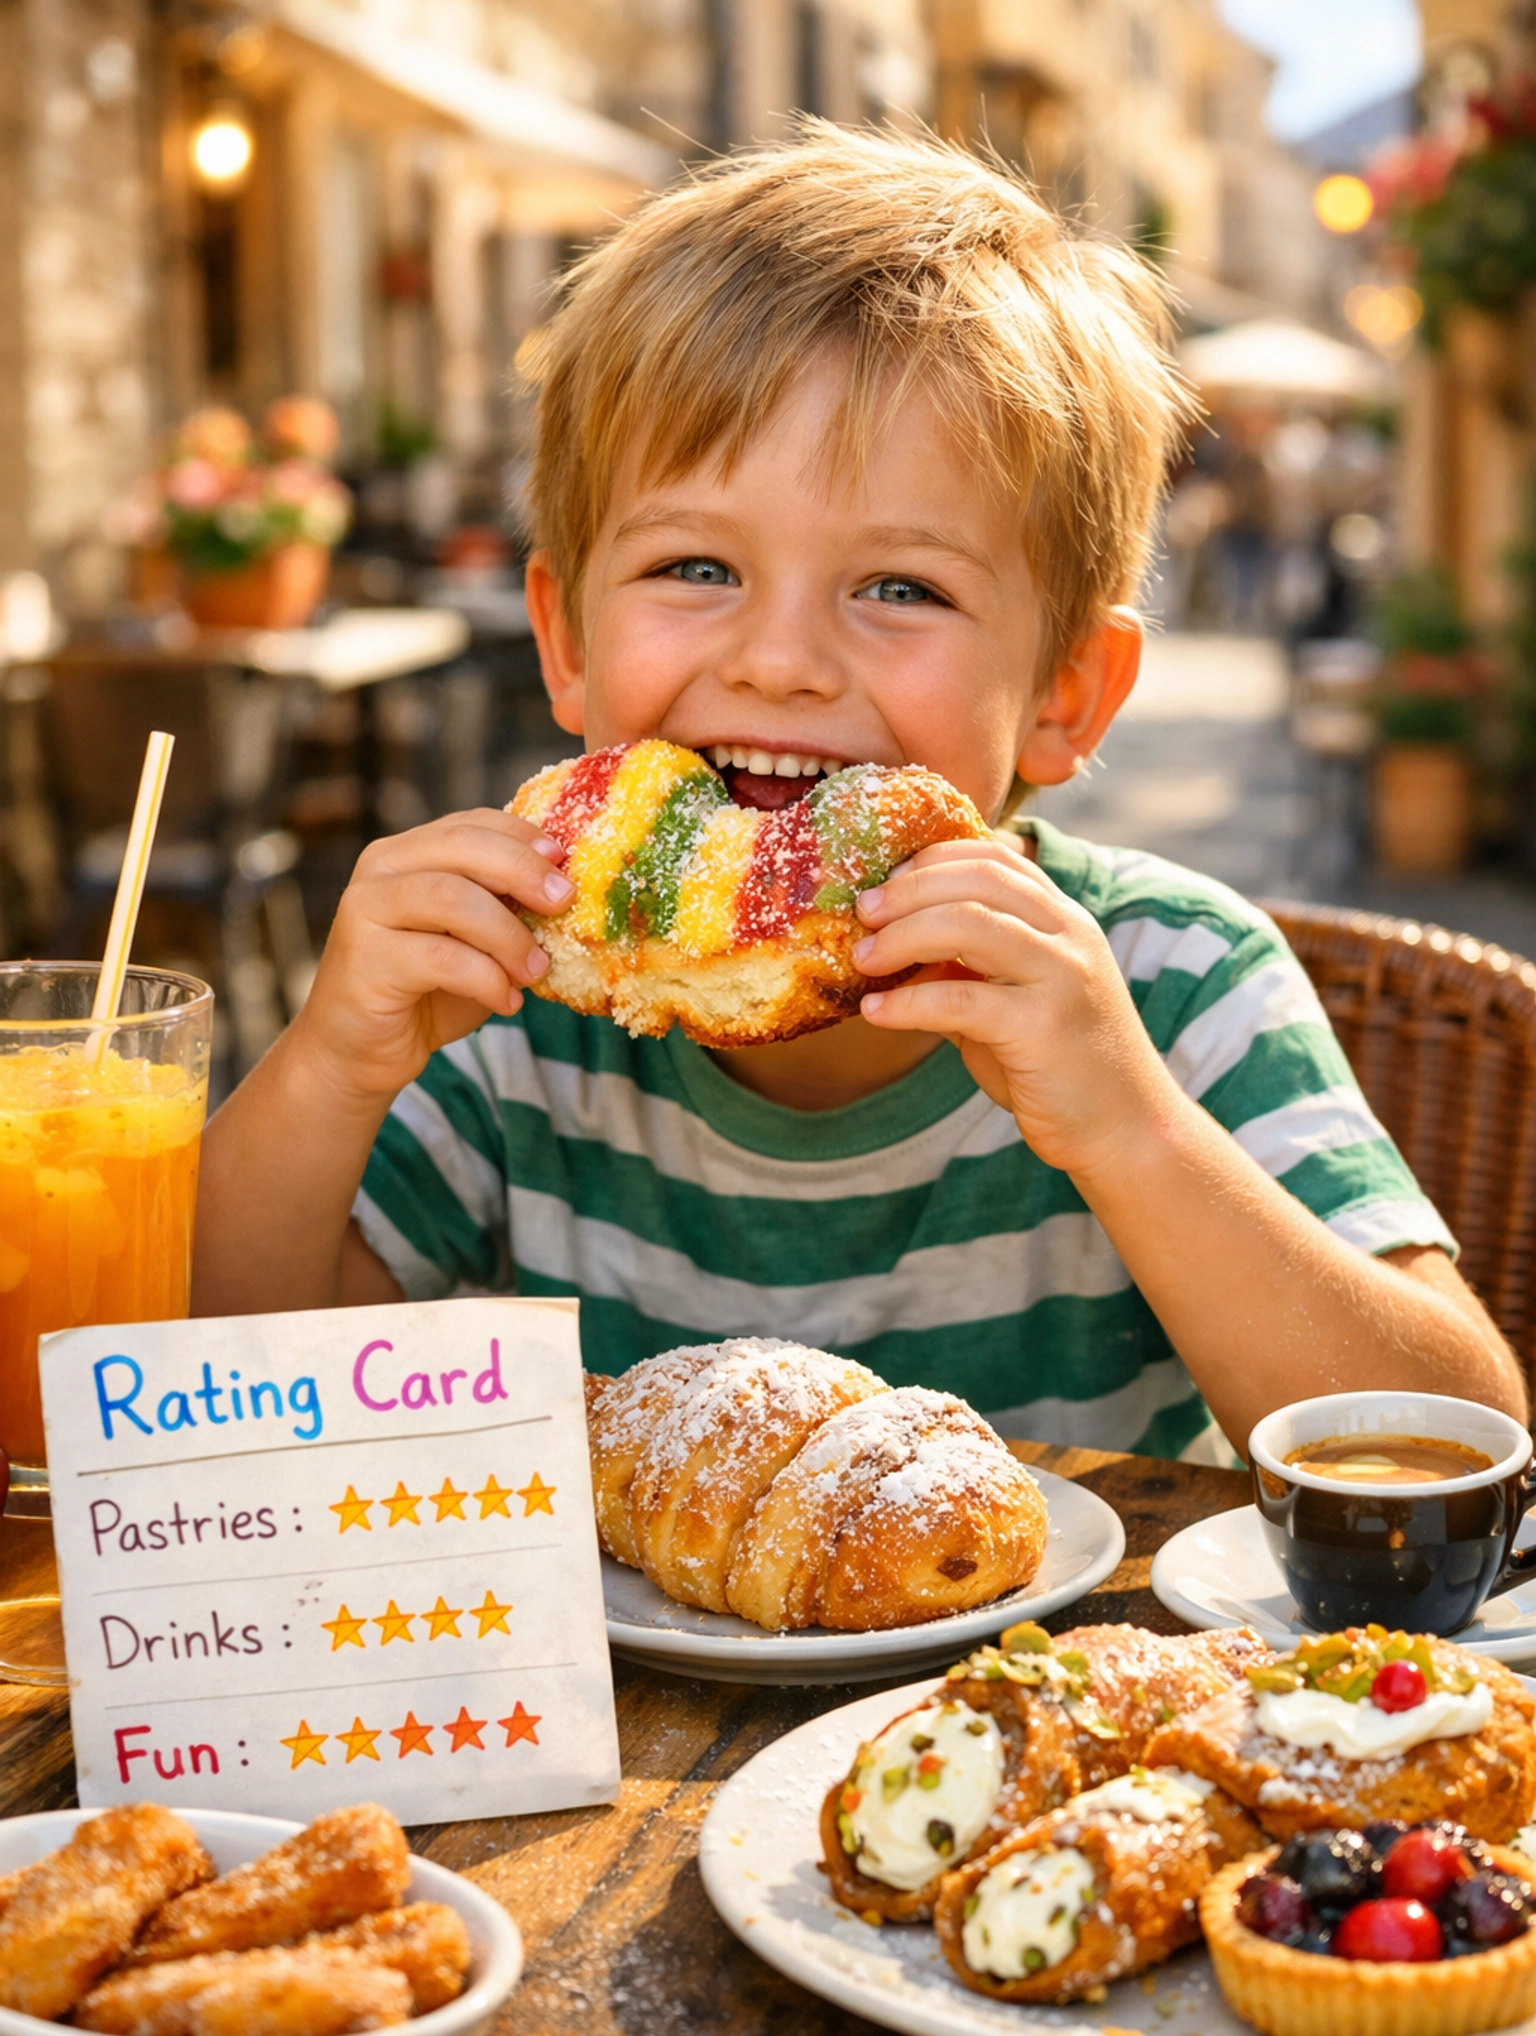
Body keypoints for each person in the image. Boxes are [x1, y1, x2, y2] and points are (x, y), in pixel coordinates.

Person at [192, 128, 1526, 1460]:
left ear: (1065, 693)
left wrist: (1132, 1133)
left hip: (1048, 1672)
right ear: (569, 642)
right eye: (696, 568)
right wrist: (329, 1069)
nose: (778, 663)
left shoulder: (1170, 986)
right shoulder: (501, 1017)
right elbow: (196, 1410)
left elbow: (1457, 1444)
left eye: (902, 590)